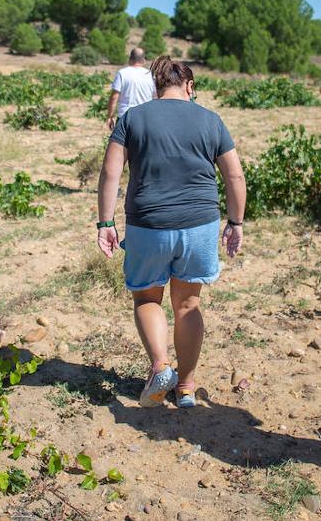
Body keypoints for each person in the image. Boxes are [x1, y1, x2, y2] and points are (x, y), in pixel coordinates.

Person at [96, 56, 246, 409]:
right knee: (189, 303)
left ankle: (161, 366)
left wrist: (106, 223)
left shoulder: (133, 118)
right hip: (199, 225)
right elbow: (235, 176)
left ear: (155, 86)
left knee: (148, 299)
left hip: (149, 225)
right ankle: (188, 386)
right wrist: (236, 222)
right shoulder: (211, 119)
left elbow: (110, 174)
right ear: (189, 86)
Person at [105, 48, 156, 130]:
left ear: (130, 59)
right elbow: (155, 97)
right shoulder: (150, 75)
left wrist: (110, 116)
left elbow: (114, 97)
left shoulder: (122, 73)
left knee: (122, 142)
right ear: (143, 60)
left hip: (125, 116)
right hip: (145, 118)